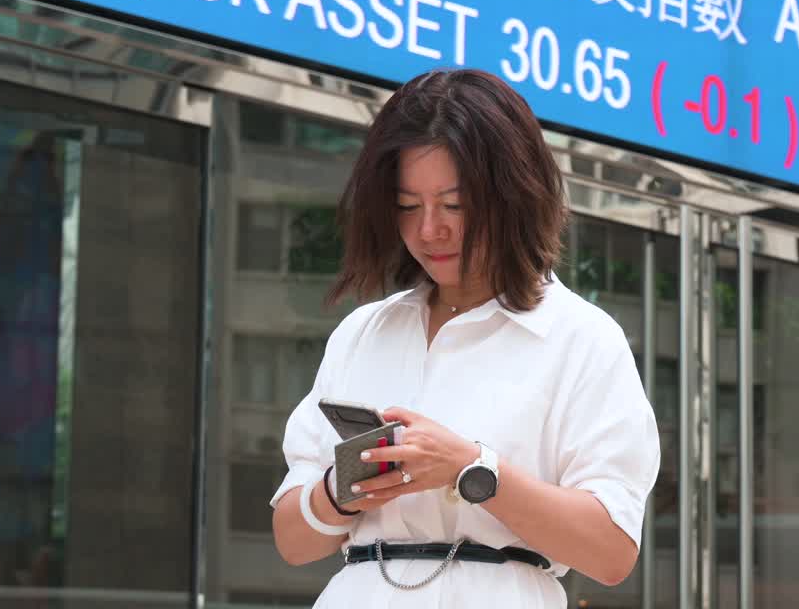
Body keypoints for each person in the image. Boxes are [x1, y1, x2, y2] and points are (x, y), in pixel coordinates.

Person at [269, 69, 661, 607]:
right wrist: (347, 487)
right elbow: (292, 540)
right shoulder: (364, 332)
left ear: (515, 195)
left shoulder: (580, 337)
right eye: (408, 206)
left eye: (454, 205)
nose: (430, 230)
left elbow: (612, 552)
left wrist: (471, 468)